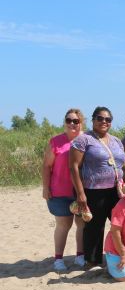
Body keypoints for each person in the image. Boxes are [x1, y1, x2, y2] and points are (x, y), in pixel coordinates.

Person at [70, 106, 125, 268]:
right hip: (94, 190)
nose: (104, 121)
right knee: (95, 226)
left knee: (121, 224)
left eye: (108, 119)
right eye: (100, 118)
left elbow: (123, 164)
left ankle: (122, 254)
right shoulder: (84, 140)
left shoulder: (116, 141)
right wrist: (80, 193)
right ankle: (93, 260)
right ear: (93, 119)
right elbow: (74, 166)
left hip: (117, 190)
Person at [42, 108, 86, 271]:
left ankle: (80, 256)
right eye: (69, 120)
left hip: (81, 192)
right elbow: (46, 166)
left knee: (82, 224)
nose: (72, 124)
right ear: (65, 122)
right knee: (63, 225)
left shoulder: (87, 140)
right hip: (59, 191)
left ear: (81, 122)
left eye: (76, 121)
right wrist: (45, 188)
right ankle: (58, 259)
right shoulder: (56, 141)